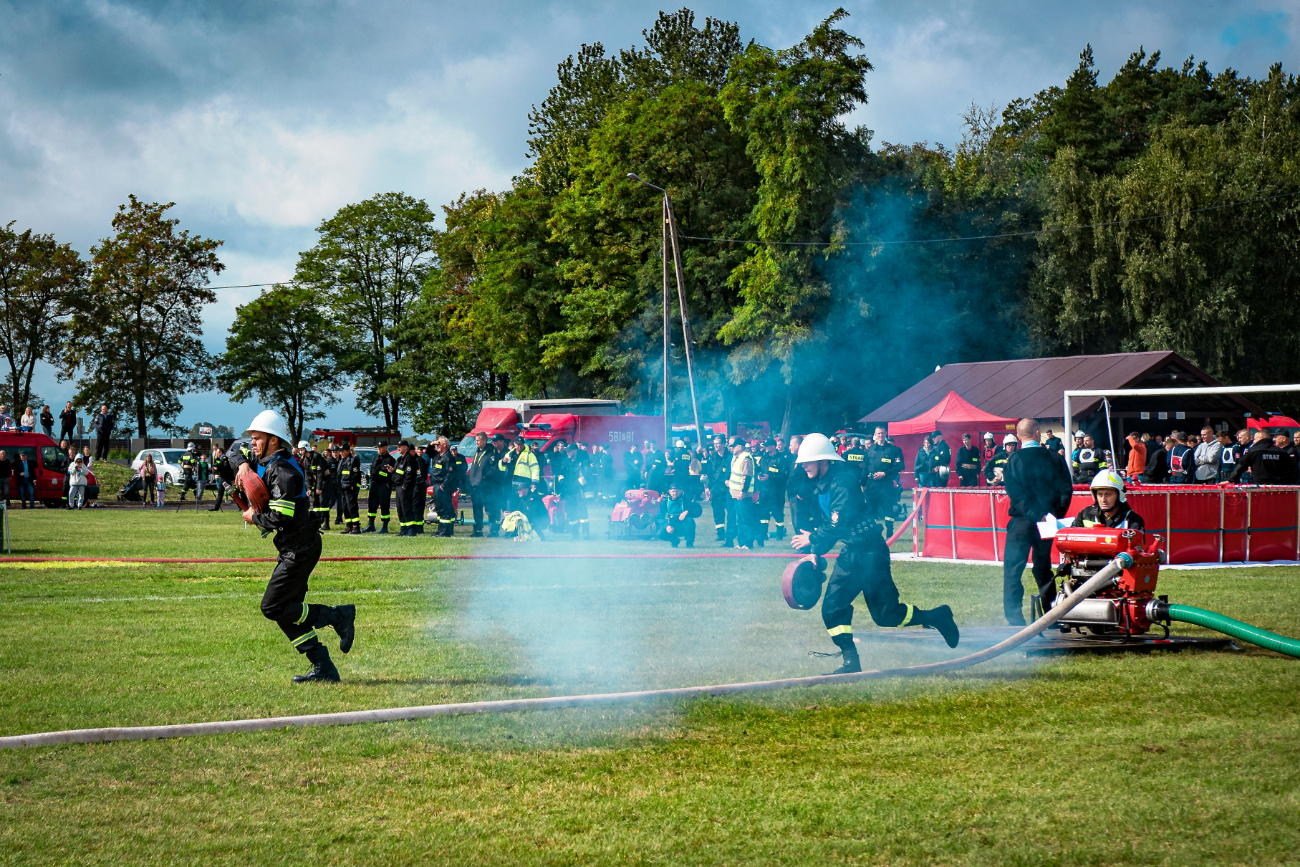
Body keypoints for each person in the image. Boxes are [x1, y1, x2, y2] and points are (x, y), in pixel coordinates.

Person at [790, 433, 959, 675]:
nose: (803, 465)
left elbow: (839, 522)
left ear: (823, 461)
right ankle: (851, 663)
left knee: (886, 615)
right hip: (851, 553)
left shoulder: (843, 482)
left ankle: (937, 616)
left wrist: (813, 539)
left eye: (808, 461)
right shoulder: (824, 484)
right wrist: (816, 552)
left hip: (870, 553)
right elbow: (835, 526)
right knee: (831, 608)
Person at [229, 410, 356, 683]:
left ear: (273, 440)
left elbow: (280, 517)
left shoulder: (283, 471)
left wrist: (254, 517)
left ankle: (338, 615)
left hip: (301, 548)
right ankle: (324, 667)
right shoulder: (266, 459)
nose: (251, 443)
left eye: (257, 438)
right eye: (251, 438)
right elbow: (231, 450)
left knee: (272, 608)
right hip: (295, 545)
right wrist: (242, 465)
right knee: (289, 613)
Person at [1000, 418, 1074, 626]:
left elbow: (1017, 495)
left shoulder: (1013, 460)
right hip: (1047, 524)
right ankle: (1051, 616)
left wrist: (1035, 514)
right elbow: (1066, 490)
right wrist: (1053, 515)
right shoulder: (1054, 458)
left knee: (1013, 570)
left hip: (1021, 523)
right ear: (1037, 433)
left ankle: (1015, 620)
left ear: (1018, 436)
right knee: (1043, 568)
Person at [863, 427, 905, 534]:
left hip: (886, 484)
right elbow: (865, 467)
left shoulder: (894, 450)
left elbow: (899, 467)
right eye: (878, 433)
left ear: (886, 433)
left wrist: (885, 473)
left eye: (882, 433)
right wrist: (862, 483)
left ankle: (889, 534)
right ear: (875, 434)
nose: (880, 435)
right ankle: (873, 534)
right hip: (871, 484)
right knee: (871, 510)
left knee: (888, 510)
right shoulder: (870, 450)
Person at [1075, 469, 1145, 532]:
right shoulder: (1085, 515)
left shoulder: (1133, 521)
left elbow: (1137, 545)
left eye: (1108, 495)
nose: (1103, 500)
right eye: (1100, 495)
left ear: (1119, 495)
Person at [1228, 429, 1298, 484]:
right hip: (1278, 487)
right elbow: (1294, 468)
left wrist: (1231, 479)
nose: (1253, 441)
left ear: (1261, 438)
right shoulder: (1281, 452)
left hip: (1260, 487)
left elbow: (1242, 465)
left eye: (1255, 439)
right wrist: (1289, 482)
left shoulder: (1254, 450)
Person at [725, 435, 758, 549]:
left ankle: (748, 543)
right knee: (739, 519)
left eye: (732, 446)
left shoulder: (746, 458)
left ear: (739, 446)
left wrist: (742, 492)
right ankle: (741, 543)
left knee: (745, 519)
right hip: (736, 494)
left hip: (743, 495)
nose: (730, 448)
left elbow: (746, 476)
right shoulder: (739, 457)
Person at [555, 441, 591, 539]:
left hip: (579, 491)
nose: (567, 453)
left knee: (582, 511)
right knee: (570, 511)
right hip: (568, 491)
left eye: (569, 451)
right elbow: (561, 474)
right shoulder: (565, 461)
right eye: (567, 452)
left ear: (575, 451)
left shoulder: (583, 461)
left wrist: (576, 484)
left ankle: (586, 534)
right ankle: (574, 534)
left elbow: (586, 475)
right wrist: (562, 482)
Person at [426, 436, 459, 537]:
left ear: (445, 445)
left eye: (438, 444)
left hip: (442, 486)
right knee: (439, 508)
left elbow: (450, 474)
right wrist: (432, 444)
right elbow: (428, 452)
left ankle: (445, 531)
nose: (437, 446)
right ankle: (441, 530)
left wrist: (443, 485)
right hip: (436, 485)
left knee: (445, 508)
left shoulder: (448, 457)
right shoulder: (438, 455)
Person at [755, 439, 787, 542]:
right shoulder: (764, 458)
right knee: (763, 514)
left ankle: (779, 535)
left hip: (776, 491)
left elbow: (784, 475)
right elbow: (760, 470)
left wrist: (771, 477)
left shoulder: (781, 459)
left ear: (773, 446)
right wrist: (759, 476)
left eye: (767, 446)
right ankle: (764, 534)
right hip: (764, 491)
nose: (765, 448)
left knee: (777, 513)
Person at [701, 435, 730, 542]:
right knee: (718, 513)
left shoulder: (730, 457)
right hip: (716, 490)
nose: (716, 445)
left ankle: (733, 532)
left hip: (728, 490)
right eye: (715, 443)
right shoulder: (712, 457)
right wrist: (707, 487)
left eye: (718, 443)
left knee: (732, 513)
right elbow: (708, 473)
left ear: (723, 444)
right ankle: (720, 534)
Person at [466, 432, 496, 537]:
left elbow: (493, 469)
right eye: (476, 440)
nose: (477, 442)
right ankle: (478, 530)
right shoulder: (477, 451)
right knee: (477, 509)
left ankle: (493, 531)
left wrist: (483, 479)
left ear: (484, 440)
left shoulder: (491, 452)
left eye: (478, 440)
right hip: (475, 486)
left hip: (485, 486)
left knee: (489, 509)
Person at [363, 441, 395, 533]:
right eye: (378, 447)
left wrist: (377, 473)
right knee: (372, 505)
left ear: (386, 447)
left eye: (381, 447)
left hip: (384, 485)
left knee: (384, 506)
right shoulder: (376, 458)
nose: (379, 449)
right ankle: (371, 524)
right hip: (374, 485)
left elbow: (386, 474)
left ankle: (385, 526)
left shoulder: (390, 460)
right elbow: (373, 470)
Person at [656, 479, 700, 547]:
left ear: (681, 491)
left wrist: (688, 511)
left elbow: (698, 510)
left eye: (677, 491)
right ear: (669, 491)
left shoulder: (686, 499)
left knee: (690, 520)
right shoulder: (665, 502)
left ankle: (689, 543)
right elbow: (659, 517)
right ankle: (674, 541)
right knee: (660, 534)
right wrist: (666, 526)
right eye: (673, 491)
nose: (675, 493)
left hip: (684, 526)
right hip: (672, 526)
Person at [392, 441, 421, 536]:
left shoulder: (409, 459)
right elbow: (398, 471)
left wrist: (405, 486)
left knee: (407, 508)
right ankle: (403, 529)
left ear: (405, 447)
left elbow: (409, 474)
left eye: (400, 446)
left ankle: (411, 529)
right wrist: (392, 471)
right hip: (398, 486)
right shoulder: (400, 459)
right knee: (400, 509)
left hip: (405, 488)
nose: (398, 448)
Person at [335, 441, 362, 534]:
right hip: (342, 487)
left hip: (350, 488)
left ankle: (356, 526)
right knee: (345, 507)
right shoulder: (342, 460)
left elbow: (356, 474)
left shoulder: (353, 460)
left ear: (348, 451)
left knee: (352, 507)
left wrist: (353, 485)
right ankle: (348, 526)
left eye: (343, 451)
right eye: (340, 451)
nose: (341, 453)